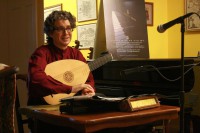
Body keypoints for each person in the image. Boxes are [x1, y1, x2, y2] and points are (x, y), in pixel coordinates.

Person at [27, 10, 95, 132]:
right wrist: (69, 88)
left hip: (70, 110)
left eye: (69, 28)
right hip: (44, 111)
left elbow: (88, 78)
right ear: (51, 32)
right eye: (60, 29)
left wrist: (87, 89)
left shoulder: (76, 54)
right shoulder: (41, 53)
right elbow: (36, 78)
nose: (66, 33)